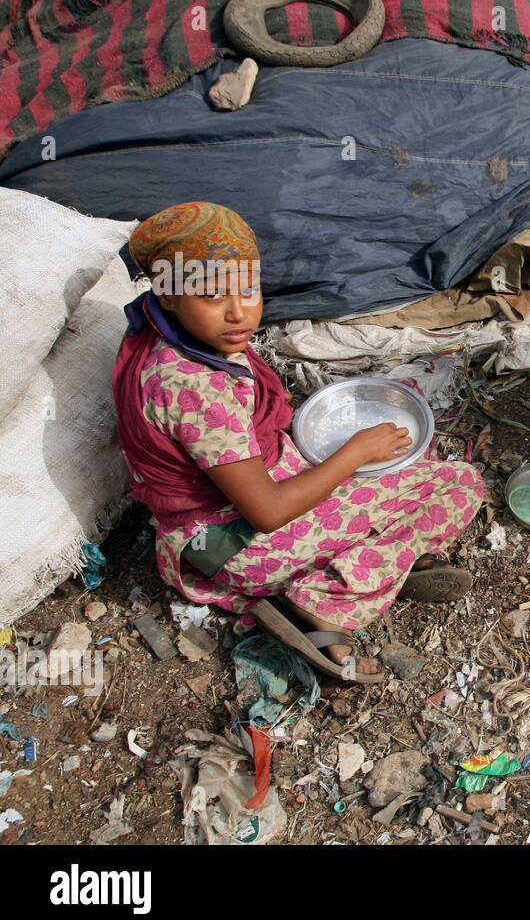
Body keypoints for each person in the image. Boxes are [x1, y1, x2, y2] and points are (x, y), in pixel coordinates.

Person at [111, 202, 484, 679]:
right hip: (231, 542)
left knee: (407, 453)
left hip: (228, 513)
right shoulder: (192, 386)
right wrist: (354, 453)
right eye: (211, 296)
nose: (238, 312)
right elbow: (266, 511)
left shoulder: (168, 335)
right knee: (458, 484)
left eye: (249, 289)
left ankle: (370, 559)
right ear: (167, 296)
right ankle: (323, 602)